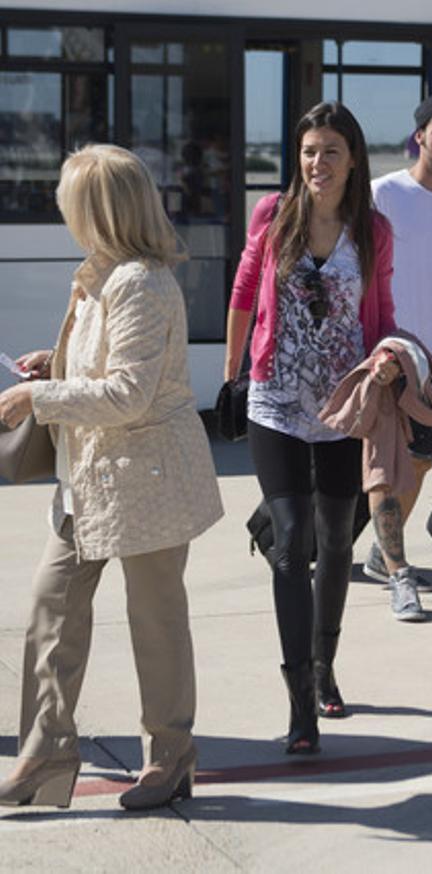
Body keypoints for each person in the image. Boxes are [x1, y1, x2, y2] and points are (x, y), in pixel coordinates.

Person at [0, 144, 223, 810]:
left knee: (154, 620)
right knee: (50, 609)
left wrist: (36, 400)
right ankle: (44, 754)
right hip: (89, 481)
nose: (63, 211)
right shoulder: (98, 276)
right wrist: (55, 365)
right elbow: (105, 369)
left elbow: (128, 393)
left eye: (71, 201)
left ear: (99, 209)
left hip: (144, 480)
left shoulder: (141, 283)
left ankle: (170, 753)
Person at [224, 102, 399, 753]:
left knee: (334, 542)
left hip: (345, 407)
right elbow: (244, 291)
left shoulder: (372, 230)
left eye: (330, 151)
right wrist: (231, 375)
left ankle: (326, 665)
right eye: (307, 152)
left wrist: (386, 361)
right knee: (292, 540)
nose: (317, 163)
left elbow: (380, 310)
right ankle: (301, 700)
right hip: (274, 401)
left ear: (353, 157)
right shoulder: (274, 215)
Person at [365, 94, 432, 621]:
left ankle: (377, 554)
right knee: (384, 468)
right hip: (387, 351)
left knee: (422, 462)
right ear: (420, 136)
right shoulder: (382, 194)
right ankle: (396, 570)